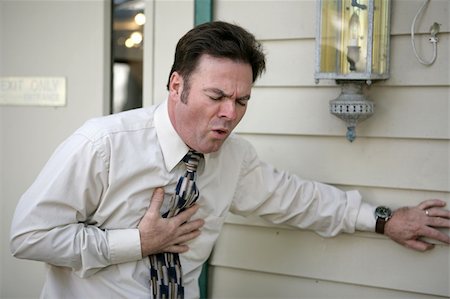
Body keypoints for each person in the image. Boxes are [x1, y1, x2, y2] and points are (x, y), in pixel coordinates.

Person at [10, 21, 450, 299]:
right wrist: (137, 243)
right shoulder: (102, 145)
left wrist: (385, 219)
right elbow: (29, 236)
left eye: (241, 101)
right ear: (176, 84)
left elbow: (300, 199)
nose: (229, 115)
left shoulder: (234, 160)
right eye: (216, 96)